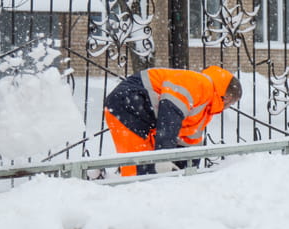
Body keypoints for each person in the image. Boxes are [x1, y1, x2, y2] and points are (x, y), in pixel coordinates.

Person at [103, 65, 241, 176]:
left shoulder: (205, 109)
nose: (227, 107)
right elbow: (170, 115)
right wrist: (164, 156)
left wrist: (188, 172)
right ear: (228, 97)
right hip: (127, 105)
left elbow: (190, 142)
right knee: (137, 170)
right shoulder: (200, 83)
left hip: (142, 114)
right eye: (231, 104)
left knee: (147, 169)